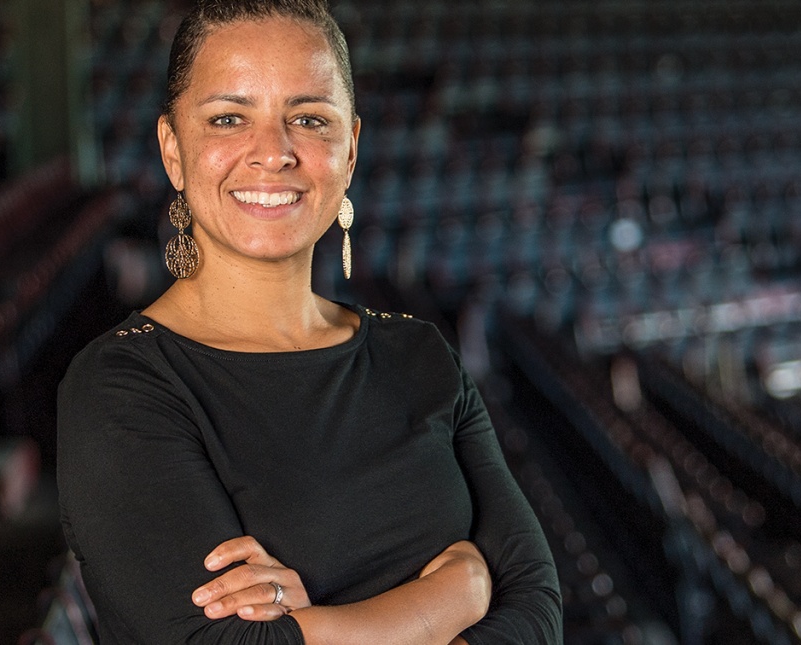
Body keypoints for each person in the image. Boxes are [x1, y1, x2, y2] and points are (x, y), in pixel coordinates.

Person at [56, 0, 564, 642]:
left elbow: (539, 610)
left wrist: (314, 627)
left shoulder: (421, 355)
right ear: (174, 150)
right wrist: (457, 591)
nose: (273, 152)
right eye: (228, 118)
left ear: (349, 149)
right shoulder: (120, 385)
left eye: (308, 118)